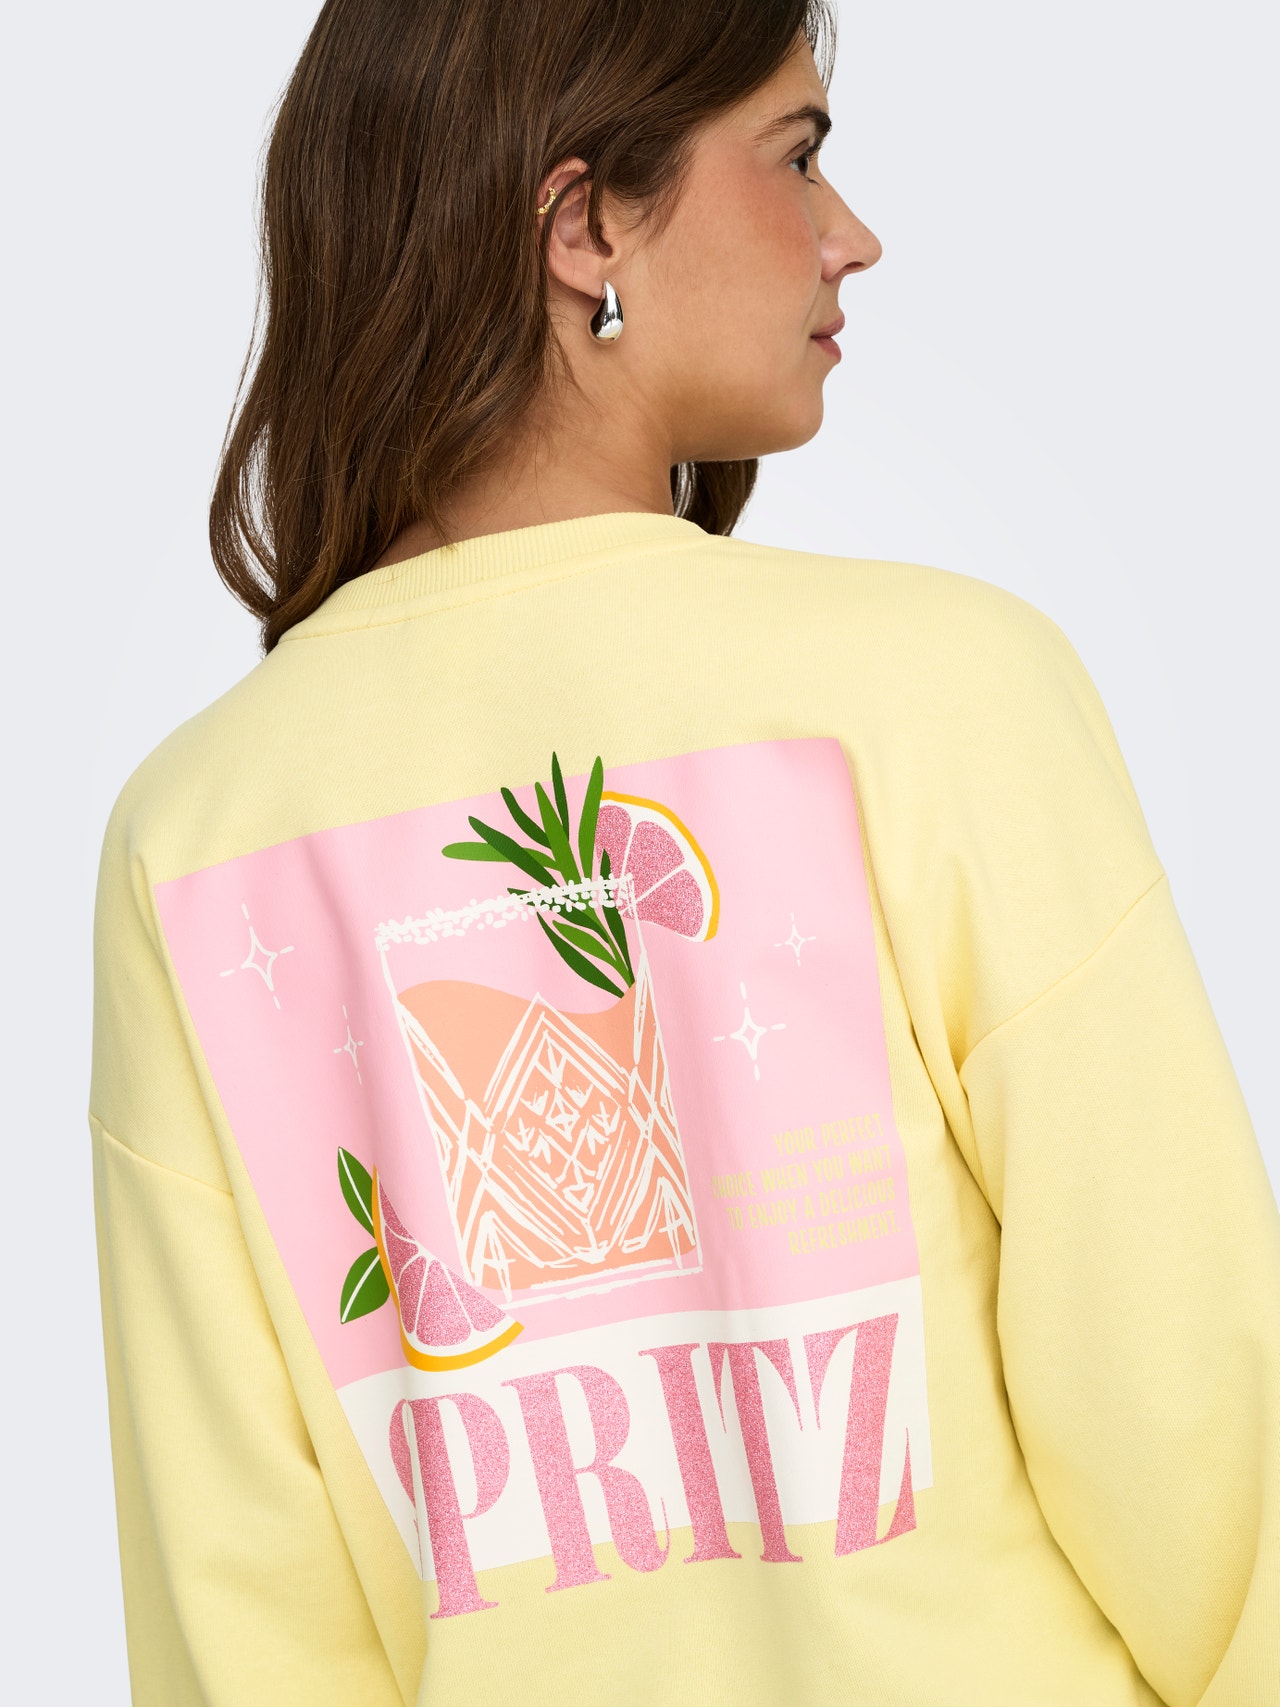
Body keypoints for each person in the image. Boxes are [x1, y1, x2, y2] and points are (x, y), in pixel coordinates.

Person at [91, 1, 1280, 1702]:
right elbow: (1191, 1424)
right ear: (584, 227)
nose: (849, 236)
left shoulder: (197, 834)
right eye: (796, 158)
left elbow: (240, 1610)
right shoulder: (944, 692)